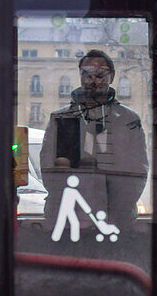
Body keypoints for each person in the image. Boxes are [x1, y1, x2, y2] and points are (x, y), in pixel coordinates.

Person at [40, 49, 148, 235]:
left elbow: (138, 171)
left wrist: (118, 211)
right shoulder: (62, 118)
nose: (93, 80)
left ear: (111, 76)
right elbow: (51, 171)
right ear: (80, 75)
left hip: (116, 220)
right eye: (87, 74)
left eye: (100, 75)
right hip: (68, 221)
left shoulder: (128, 120)